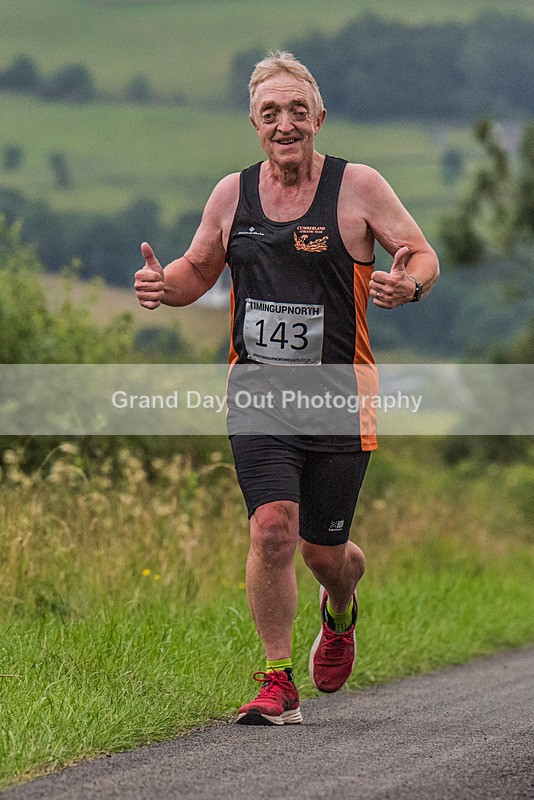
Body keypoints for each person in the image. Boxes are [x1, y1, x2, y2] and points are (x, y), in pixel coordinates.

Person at [134, 51, 439, 726]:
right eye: (270, 112)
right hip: (258, 397)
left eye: (297, 110)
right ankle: (277, 681)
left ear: (319, 118)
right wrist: (165, 287)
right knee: (273, 529)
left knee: (323, 551)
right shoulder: (231, 195)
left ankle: (341, 608)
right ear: (254, 122)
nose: (285, 123)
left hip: (338, 398)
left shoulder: (358, 187)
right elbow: (196, 270)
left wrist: (407, 283)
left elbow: (421, 253)